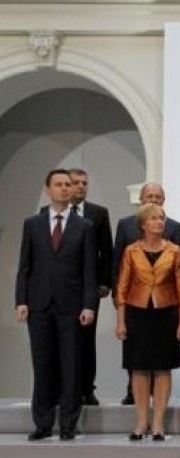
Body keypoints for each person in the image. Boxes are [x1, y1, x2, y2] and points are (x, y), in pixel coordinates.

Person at [16, 169, 97, 441]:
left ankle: (68, 424)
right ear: (48, 189)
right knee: (42, 364)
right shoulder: (33, 224)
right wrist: (21, 301)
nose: (65, 189)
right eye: (59, 184)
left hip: (71, 306)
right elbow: (24, 267)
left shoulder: (84, 226)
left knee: (71, 365)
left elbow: (89, 270)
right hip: (39, 304)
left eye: (68, 185)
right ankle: (42, 423)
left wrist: (89, 305)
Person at [38, 168, 113, 405]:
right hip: (57, 291)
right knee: (57, 344)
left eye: (84, 183)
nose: (80, 186)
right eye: (75, 182)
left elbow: (106, 252)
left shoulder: (98, 214)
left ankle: (86, 389)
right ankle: (61, 390)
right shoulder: (44, 215)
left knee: (85, 341)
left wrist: (104, 282)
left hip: (88, 289)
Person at [114, 203, 180, 441]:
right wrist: (121, 322)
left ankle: (158, 424)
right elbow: (122, 288)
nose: (160, 222)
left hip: (166, 313)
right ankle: (141, 422)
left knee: (163, 367)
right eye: (154, 218)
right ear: (143, 225)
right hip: (137, 313)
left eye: (162, 218)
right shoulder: (131, 251)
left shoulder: (175, 250)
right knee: (139, 368)